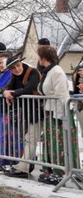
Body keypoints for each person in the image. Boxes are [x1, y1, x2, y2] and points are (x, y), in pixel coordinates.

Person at [36, 45, 77, 185]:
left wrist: (61, 117)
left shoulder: (57, 71)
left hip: (58, 114)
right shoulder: (48, 71)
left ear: (43, 58)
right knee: (50, 143)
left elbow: (62, 96)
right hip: (50, 111)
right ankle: (51, 170)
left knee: (59, 144)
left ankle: (61, 172)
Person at [1, 54, 42, 178]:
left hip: (39, 110)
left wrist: (12, 94)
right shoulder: (14, 76)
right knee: (28, 139)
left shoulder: (32, 72)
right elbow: (8, 87)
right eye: (13, 68)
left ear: (21, 63)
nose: (17, 69)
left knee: (31, 139)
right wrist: (5, 92)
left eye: (18, 66)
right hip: (27, 111)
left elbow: (30, 88)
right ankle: (25, 165)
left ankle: (24, 166)